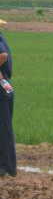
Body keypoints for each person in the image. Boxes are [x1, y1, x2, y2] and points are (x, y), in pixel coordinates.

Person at [0, 18, 14, 177]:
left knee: (3, 128)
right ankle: (7, 166)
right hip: (5, 85)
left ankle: (4, 167)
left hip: (1, 87)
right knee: (4, 127)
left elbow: (2, 55)